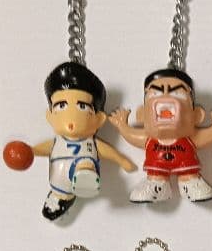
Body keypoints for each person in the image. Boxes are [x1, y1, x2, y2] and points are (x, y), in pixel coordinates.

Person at [13, 61, 137, 221]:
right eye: (61, 106)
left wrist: (121, 160)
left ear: (99, 119)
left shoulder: (91, 143)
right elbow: (44, 148)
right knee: (62, 187)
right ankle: (61, 197)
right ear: (50, 116)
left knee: (86, 163)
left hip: (84, 169)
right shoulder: (57, 142)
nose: (71, 117)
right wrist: (31, 151)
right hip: (59, 184)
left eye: (82, 107)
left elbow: (107, 151)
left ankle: (85, 177)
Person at [109, 68, 212, 204]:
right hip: (157, 166)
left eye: (178, 94)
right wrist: (122, 125)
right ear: (142, 115)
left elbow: (206, 137)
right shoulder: (148, 138)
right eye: (155, 94)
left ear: (197, 116)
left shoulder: (192, 137)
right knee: (156, 176)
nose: (165, 100)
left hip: (186, 165)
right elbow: (132, 136)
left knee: (190, 175)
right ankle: (157, 185)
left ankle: (190, 183)